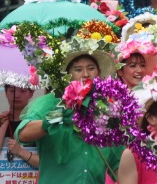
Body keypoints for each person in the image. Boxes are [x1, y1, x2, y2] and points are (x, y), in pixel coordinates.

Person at [16, 40, 121, 183]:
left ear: (99, 72)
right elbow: (22, 134)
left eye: (91, 68)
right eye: (78, 69)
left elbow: (117, 163)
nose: (85, 74)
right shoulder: (52, 101)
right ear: (67, 75)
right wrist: (55, 118)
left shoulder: (107, 109)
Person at [0, 85, 38, 168]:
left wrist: (20, 152)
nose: (16, 95)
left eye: (23, 91)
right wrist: (3, 126)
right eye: (12, 91)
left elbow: (47, 162)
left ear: (31, 93)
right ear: (5, 92)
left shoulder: (37, 124)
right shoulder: (1, 121)